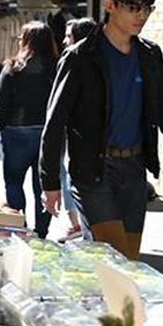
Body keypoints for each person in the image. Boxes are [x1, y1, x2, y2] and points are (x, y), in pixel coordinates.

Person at [40, 0, 163, 260]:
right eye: (133, 7)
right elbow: (55, 121)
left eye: (147, 8)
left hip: (134, 170)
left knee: (129, 258)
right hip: (93, 170)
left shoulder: (150, 55)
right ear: (110, 5)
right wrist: (50, 182)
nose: (142, 15)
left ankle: (104, 304)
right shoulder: (81, 57)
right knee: (112, 254)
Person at [0, 21, 58, 239]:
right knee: (44, 185)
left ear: (26, 41)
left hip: (16, 130)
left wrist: (1, 124)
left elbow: (1, 100)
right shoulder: (57, 68)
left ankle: (18, 224)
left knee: (13, 181)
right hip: (47, 133)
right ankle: (41, 232)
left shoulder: (13, 67)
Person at [59, 17, 97, 239]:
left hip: (84, 139)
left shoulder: (74, 61)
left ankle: (82, 227)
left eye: (68, 36)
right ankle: (80, 226)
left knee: (72, 180)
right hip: (77, 135)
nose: (64, 41)